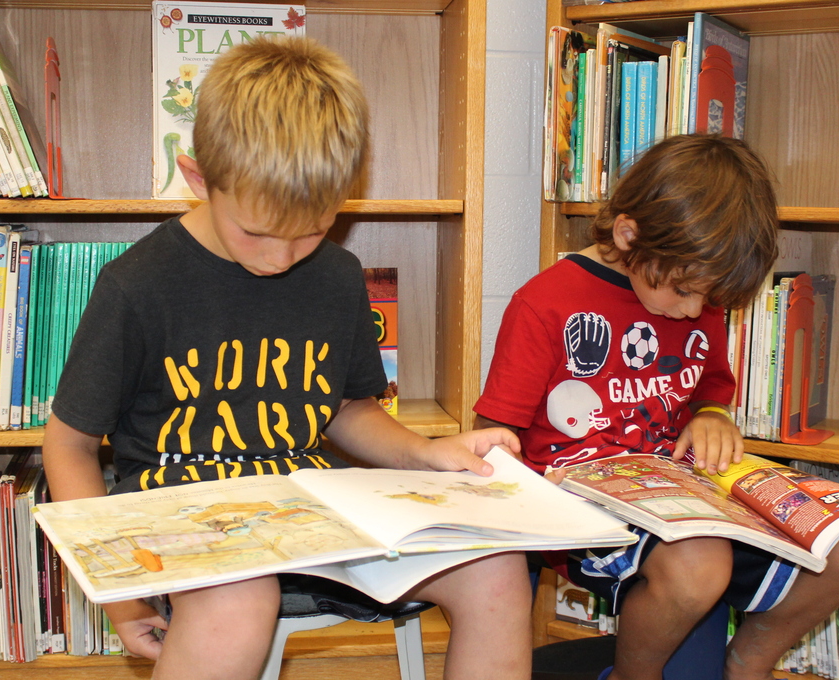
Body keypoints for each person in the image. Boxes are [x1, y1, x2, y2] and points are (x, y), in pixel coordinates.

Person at [42, 36, 531, 680]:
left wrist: (426, 452)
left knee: (496, 572)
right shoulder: (138, 285)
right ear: (198, 180)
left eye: (312, 230)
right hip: (184, 527)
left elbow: (346, 407)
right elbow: (70, 444)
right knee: (240, 597)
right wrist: (122, 594)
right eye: (257, 232)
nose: (279, 258)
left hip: (315, 519)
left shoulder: (337, 276)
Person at [474, 134, 839, 680]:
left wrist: (712, 416)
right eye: (685, 292)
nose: (693, 312)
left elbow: (711, 387)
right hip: (582, 502)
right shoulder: (546, 304)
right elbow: (494, 433)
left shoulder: (694, 288)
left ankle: (748, 662)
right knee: (699, 563)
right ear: (628, 233)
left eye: (708, 299)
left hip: (687, 490)